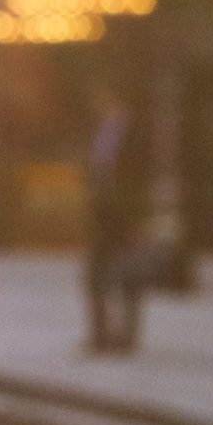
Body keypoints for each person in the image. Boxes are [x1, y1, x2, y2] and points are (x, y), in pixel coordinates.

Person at [83, 86, 147, 353]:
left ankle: (126, 335)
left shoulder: (134, 132)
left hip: (125, 215)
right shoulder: (100, 130)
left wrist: (135, 215)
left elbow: (138, 175)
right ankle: (101, 334)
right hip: (103, 213)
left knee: (128, 276)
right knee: (96, 275)